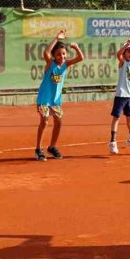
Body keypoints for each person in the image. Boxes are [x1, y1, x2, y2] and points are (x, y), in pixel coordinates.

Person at [35, 30, 84, 161]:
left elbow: (81, 58)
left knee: (58, 122)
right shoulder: (50, 64)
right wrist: (56, 39)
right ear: (54, 56)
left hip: (55, 101)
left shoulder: (66, 65)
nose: (61, 56)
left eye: (63, 54)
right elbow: (46, 52)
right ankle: (38, 149)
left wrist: (76, 47)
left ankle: (52, 147)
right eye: (58, 54)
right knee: (44, 121)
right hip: (44, 99)